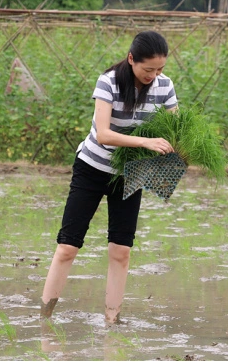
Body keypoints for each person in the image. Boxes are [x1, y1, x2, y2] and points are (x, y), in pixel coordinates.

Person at [41, 31, 178, 324]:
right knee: (68, 247)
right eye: (148, 69)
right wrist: (146, 142)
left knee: (121, 251)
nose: (154, 75)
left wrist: (178, 149)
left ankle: (112, 321)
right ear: (131, 60)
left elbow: (175, 129)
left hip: (130, 173)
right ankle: (44, 318)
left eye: (160, 69)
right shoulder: (109, 82)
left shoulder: (165, 86)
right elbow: (103, 134)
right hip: (92, 168)